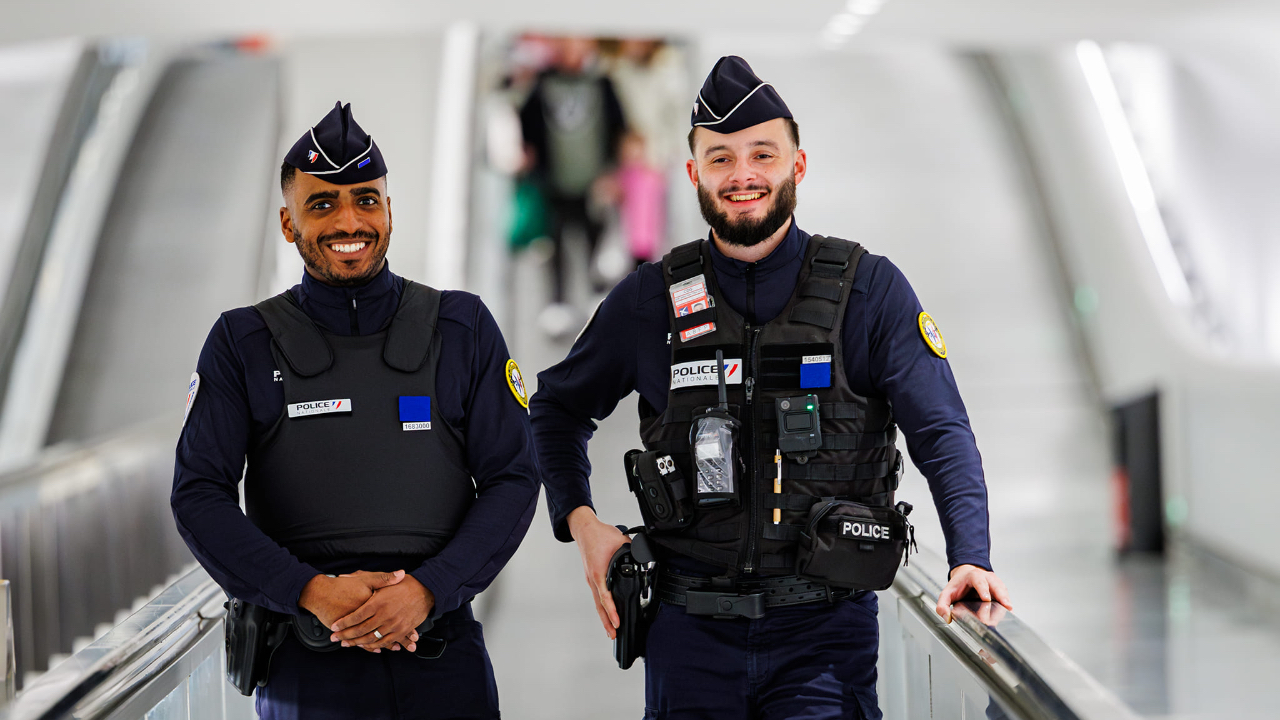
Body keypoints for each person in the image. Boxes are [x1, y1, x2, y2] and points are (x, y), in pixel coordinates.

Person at [529, 57, 1012, 719]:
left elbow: (940, 429)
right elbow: (556, 407)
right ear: (694, 174)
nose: (743, 175)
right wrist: (581, 524)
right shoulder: (650, 301)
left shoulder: (868, 292)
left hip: (824, 641)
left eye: (763, 154)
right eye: (721, 159)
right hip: (686, 638)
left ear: (798, 166)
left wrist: (970, 554)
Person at [171, 102, 539, 720]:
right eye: (322, 205)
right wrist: (309, 590)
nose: (349, 221)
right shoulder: (242, 342)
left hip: (443, 660)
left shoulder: (462, 327)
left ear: (390, 210)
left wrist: (427, 590)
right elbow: (198, 494)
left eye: (366, 200)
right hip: (305, 668)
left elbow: (513, 476)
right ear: (288, 223)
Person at [518, 37, 627, 336]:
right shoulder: (542, 84)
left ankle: (597, 298)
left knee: (596, 240)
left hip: (593, 184)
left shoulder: (602, 83)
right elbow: (524, 122)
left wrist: (611, 172)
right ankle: (557, 303)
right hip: (553, 184)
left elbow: (619, 126)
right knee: (555, 244)